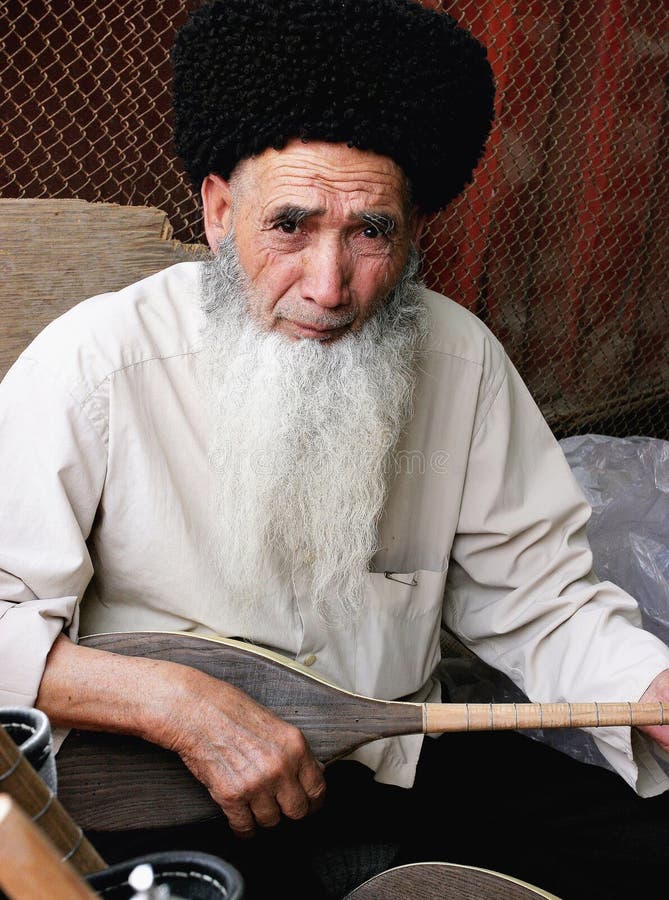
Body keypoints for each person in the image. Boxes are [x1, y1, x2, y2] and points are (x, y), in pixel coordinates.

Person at [1, 1, 669, 897]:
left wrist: (654, 686)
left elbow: (540, 601)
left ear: (410, 233)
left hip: (385, 765)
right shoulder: (97, 361)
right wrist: (178, 704)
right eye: (290, 225)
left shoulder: (456, 358)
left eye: (369, 232)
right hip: (155, 791)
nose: (328, 285)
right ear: (217, 210)